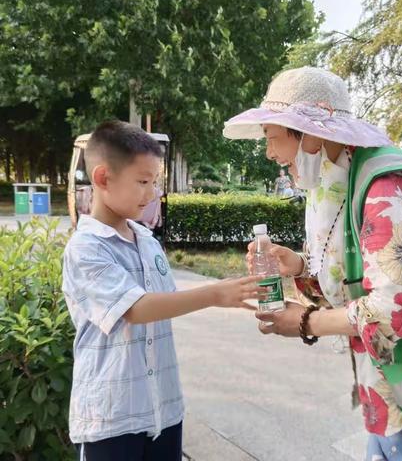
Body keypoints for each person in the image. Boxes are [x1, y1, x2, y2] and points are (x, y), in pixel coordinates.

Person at [223, 67, 402, 460]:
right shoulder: (340, 184)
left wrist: (306, 322)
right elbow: (357, 278)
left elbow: (392, 312)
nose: (269, 153)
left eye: (272, 138)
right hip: (399, 400)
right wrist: (299, 267)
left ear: (312, 134)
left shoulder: (388, 188)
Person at [62, 120, 264, 461]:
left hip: (163, 408)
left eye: (154, 182)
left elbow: (164, 304)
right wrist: (215, 294)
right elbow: (137, 309)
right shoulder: (86, 248)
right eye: (142, 181)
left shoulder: (148, 242)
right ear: (102, 178)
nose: (152, 192)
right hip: (111, 417)